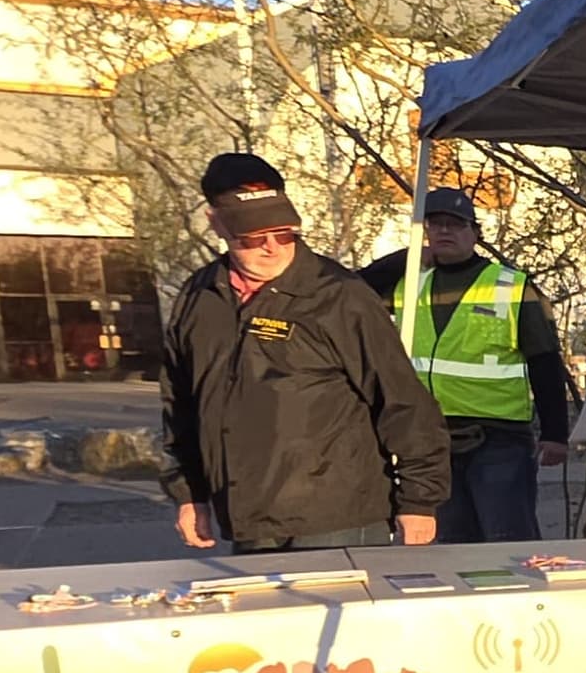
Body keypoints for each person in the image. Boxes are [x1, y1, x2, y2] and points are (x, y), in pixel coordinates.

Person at [161, 176, 448, 552]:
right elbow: (181, 405)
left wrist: (419, 500)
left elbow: (402, 400)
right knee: (268, 613)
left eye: (284, 234)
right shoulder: (200, 297)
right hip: (248, 515)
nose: (271, 248)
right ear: (220, 229)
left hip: (337, 516)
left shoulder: (339, 296)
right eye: (252, 238)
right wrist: (189, 493)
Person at [358, 184, 574, 543]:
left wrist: (555, 433)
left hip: (498, 437)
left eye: (455, 224)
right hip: (428, 437)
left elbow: (545, 361)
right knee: (450, 546)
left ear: (475, 233)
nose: (445, 231)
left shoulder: (510, 286)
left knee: (507, 541)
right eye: (436, 223)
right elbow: (349, 290)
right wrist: (404, 258)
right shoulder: (408, 281)